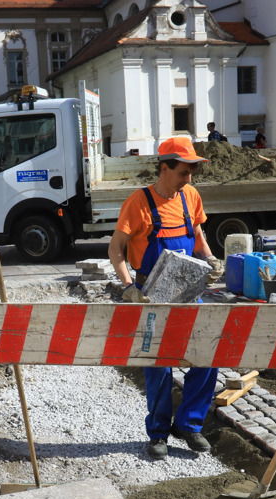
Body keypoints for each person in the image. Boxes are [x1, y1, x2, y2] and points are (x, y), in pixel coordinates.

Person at [109, 137, 224, 461]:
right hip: (151, 297)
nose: (190, 179)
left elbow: (198, 238)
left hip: (189, 293)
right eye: (185, 172)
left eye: (191, 173)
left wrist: (211, 259)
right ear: (165, 168)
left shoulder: (190, 197)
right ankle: (159, 432)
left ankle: (188, 424)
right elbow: (115, 249)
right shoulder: (139, 202)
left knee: (206, 354)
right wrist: (128, 286)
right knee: (158, 365)